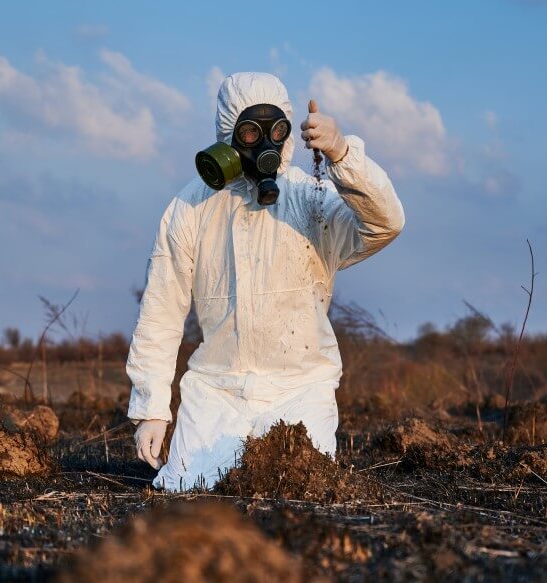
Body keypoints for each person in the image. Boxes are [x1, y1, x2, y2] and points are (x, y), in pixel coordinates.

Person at [126, 72, 404, 491]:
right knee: (188, 492)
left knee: (302, 492)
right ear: (228, 135)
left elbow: (386, 223)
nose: (265, 144)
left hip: (300, 388)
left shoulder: (311, 198)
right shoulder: (192, 206)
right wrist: (152, 408)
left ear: (290, 132)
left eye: (276, 130)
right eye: (251, 132)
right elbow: (162, 310)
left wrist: (343, 155)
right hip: (216, 390)